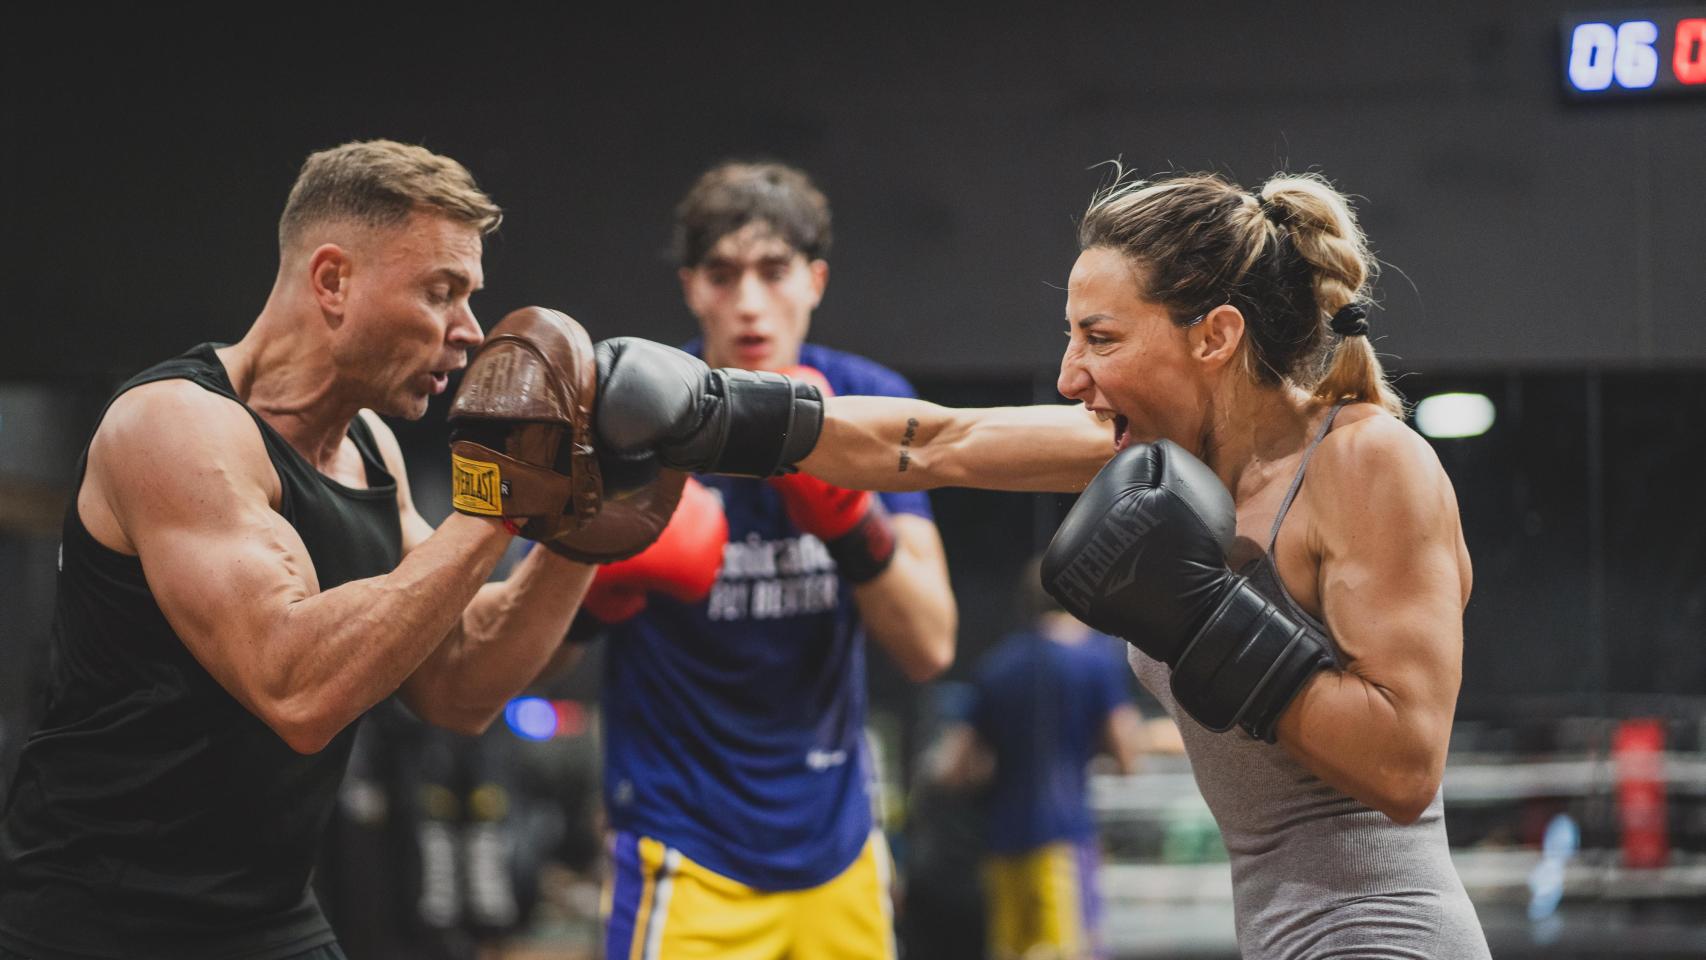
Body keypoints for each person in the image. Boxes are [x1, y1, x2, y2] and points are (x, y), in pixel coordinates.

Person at [592, 168, 1491, 958]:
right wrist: (714, 413)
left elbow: (1405, 768)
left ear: (1213, 337)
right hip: (1278, 935)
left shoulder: (1366, 460)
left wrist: (1203, 614)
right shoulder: (1161, 463)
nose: (1069, 375)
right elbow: (939, 442)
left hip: (1389, 936)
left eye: (1101, 340)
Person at [0, 140, 639, 960]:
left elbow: (457, 682)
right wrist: (502, 502)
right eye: (441, 292)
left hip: (264, 916)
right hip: (91, 923)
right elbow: (296, 687)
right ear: (332, 280)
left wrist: (580, 529)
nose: (470, 332)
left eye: (471, 297)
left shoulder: (369, 445)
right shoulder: (176, 426)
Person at [566, 161, 958, 960]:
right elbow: (516, 669)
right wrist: (598, 584)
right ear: (690, 287)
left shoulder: (866, 401)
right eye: (723, 274)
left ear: (814, 281)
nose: (748, 302)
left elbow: (930, 645)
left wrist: (850, 521)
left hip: (837, 844)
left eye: (773, 272)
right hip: (682, 842)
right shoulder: (629, 422)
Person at [932, 557, 1145, 960]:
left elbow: (957, 769)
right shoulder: (1096, 660)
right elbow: (1127, 754)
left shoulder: (996, 666)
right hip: (1064, 841)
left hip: (1003, 846)